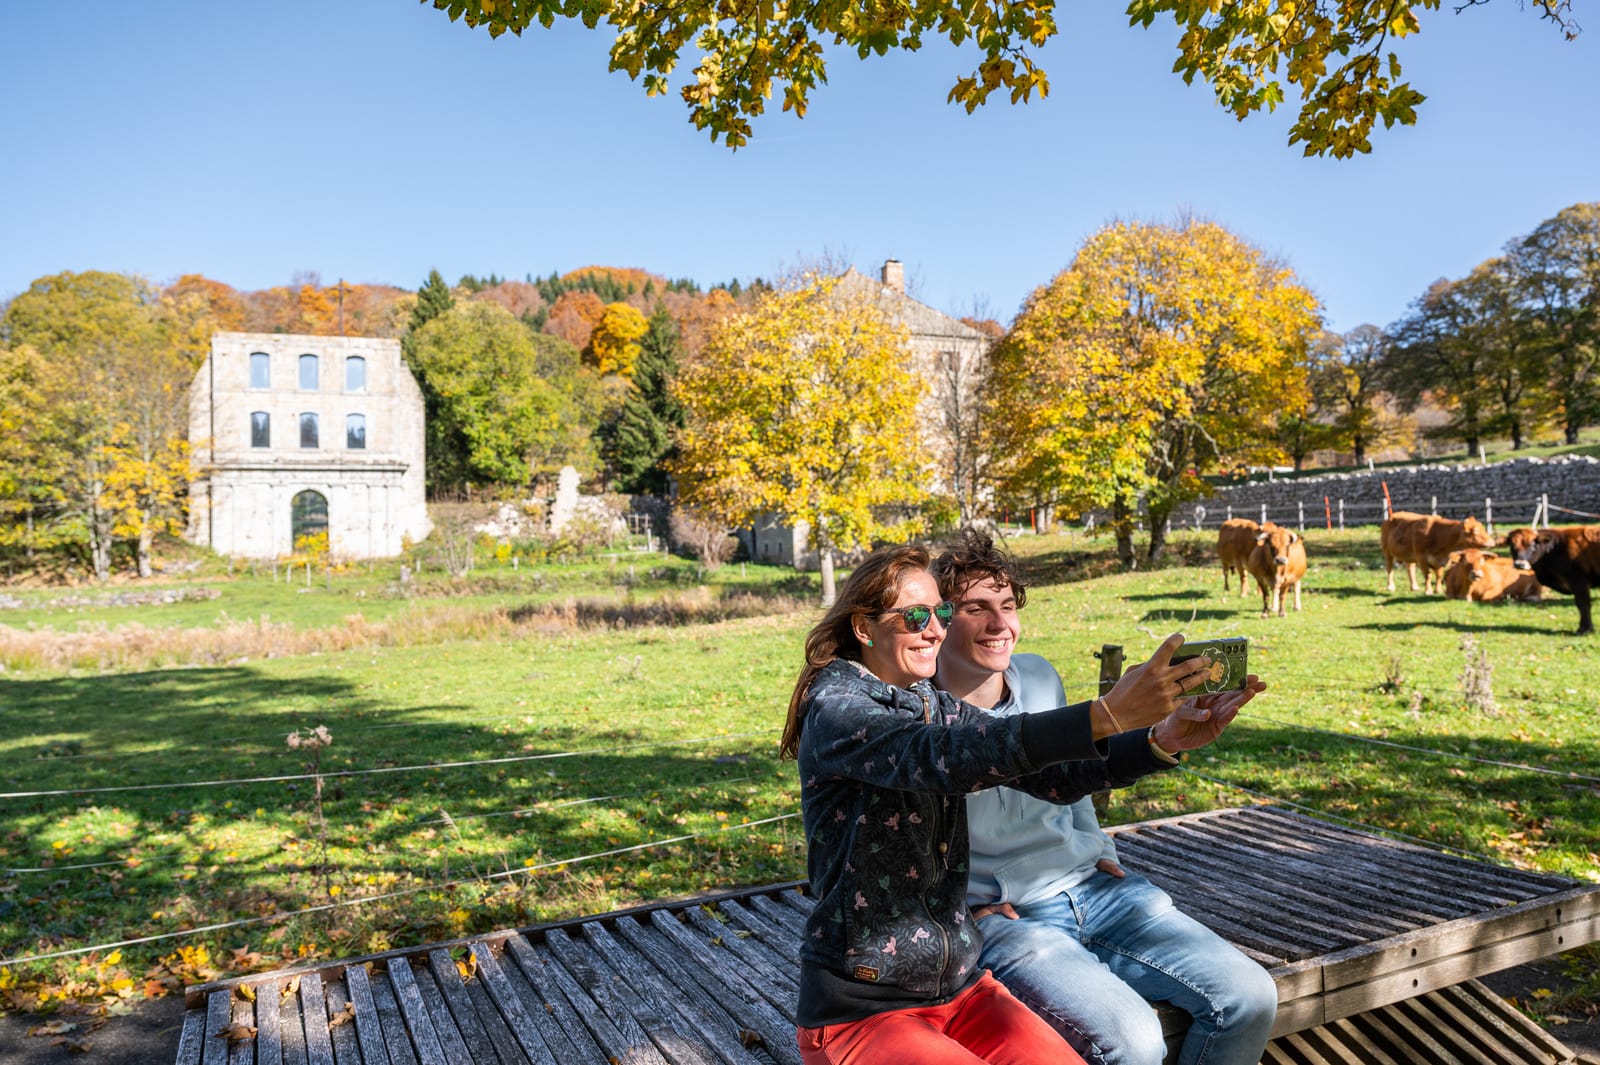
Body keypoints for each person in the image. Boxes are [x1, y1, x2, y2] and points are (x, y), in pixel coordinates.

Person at [781, 542, 1224, 1065]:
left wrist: (1160, 739)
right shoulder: (839, 710)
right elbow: (946, 757)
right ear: (863, 626)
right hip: (861, 1010)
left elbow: (1051, 775)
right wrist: (1103, 714)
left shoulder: (928, 701)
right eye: (917, 616)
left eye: (941, 613)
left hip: (961, 991)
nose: (934, 630)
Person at [931, 528, 1278, 1065]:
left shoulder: (1040, 676)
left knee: (1251, 997)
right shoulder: (917, 717)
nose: (1001, 624)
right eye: (977, 609)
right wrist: (956, 909)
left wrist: (1100, 848)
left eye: (1007, 605)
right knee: (1135, 1042)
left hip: (1097, 891)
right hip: (1003, 917)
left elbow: (1075, 778)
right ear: (939, 621)